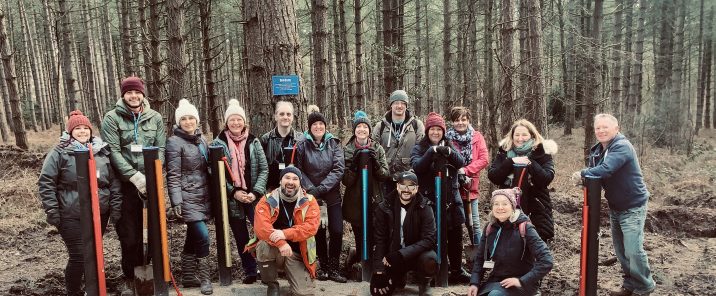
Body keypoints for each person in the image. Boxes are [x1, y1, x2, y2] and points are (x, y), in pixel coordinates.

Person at [38, 110, 122, 296]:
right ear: (70, 131)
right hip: (70, 214)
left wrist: (115, 207)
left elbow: (113, 182)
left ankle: (92, 290)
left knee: (93, 254)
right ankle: (73, 292)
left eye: (86, 128)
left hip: (99, 214)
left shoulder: (101, 151)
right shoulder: (59, 152)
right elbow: (46, 181)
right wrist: (52, 210)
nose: (82, 131)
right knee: (79, 256)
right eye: (78, 128)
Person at [573, 114, 656, 296]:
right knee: (621, 250)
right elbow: (596, 177)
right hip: (615, 206)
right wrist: (585, 177)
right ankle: (629, 285)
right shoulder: (597, 151)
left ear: (616, 129)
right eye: (598, 128)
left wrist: (582, 174)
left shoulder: (622, 146)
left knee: (633, 250)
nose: (601, 131)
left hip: (633, 205)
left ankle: (644, 287)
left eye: (605, 127)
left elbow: (606, 169)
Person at [101, 76, 166, 295]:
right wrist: (134, 177)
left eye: (137, 92)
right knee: (129, 235)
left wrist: (151, 175)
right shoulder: (112, 118)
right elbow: (113, 151)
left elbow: (161, 148)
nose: (134, 96)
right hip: (126, 186)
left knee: (154, 232)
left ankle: (154, 274)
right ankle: (130, 276)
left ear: (143, 94)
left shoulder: (155, 117)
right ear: (123, 95)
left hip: (151, 183)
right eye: (129, 93)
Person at [210, 99, 268, 284]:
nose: (236, 123)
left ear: (244, 121)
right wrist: (233, 192)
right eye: (232, 120)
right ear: (226, 122)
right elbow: (215, 173)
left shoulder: (254, 141)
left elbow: (263, 169)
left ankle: (266, 266)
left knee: (262, 230)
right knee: (241, 234)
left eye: (239, 119)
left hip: (253, 196)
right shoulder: (218, 143)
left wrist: (256, 193)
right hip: (233, 198)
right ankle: (250, 270)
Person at [410, 112, 470, 283]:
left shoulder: (449, 144)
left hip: (451, 200)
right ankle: (430, 270)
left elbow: (460, 162)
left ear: (443, 131)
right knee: (430, 238)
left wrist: (448, 151)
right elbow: (417, 166)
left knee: (455, 239)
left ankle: (456, 270)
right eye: (432, 129)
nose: (435, 132)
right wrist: (432, 151)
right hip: (429, 202)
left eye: (439, 129)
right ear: (427, 130)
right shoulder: (420, 148)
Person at [294, 105, 346, 282]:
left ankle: (334, 267)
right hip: (312, 196)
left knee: (337, 231)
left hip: (331, 195)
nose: (318, 127)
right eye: (314, 124)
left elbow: (339, 169)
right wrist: (311, 189)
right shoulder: (302, 144)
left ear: (325, 126)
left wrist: (322, 188)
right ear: (310, 127)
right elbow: (298, 169)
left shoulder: (334, 143)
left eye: (321, 124)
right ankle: (323, 266)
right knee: (318, 231)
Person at [165, 99, 213, 294]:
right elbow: (173, 174)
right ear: (178, 122)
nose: (187, 122)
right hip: (187, 197)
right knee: (202, 236)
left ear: (197, 120)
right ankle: (205, 279)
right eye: (183, 119)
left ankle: (187, 276)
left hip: (204, 195)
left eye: (191, 118)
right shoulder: (174, 142)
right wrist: (176, 200)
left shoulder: (202, 140)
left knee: (193, 236)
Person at [467, 188, 553, 296]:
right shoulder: (489, 228)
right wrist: (474, 283)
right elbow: (480, 259)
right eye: (496, 204)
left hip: (523, 284)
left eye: (505, 204)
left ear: (512, 206)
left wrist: (521, 281)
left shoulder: (526, 228)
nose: (500, 208)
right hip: (496, 281)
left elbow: (547, 260)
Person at [249, 166, 320, 296]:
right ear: (280, 181)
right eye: (287, 178)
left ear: (300, 183)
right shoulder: (267, 200)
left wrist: (285, 233)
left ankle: (297, 278)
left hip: (298, 254)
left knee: (303, 293)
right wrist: (281, 242)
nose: (291, 182)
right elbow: (261, 228)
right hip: (275, 249)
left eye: (295, 179)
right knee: (263, 246)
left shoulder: (310, 201)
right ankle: (272, 284)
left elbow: (311, 227)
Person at [487, 119, 556, 242]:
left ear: (532, 135)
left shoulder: (542, 151)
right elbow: (493, 176)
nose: (520, 138)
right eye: (517, 135)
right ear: (512, 136)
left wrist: (530, 163)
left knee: (535, 244)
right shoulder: (504, 151)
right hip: (507, 205)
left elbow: (546, 179)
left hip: (536, 206)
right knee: (508, 243)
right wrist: (510, 162)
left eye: (524, 134)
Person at [370, 171, 438, 296]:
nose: (406, 190)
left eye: (411, 186)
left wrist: (401, 254)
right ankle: (398, 277)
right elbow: (379, 240)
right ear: (397, 186)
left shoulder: (425, 207)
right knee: (377, 292)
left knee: (430, 259)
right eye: (403, 185)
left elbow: (429, 239)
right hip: (392, 257)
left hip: (415, 255)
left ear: (417, 189)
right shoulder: (384, 207)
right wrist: (379, 271)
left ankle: (424, 283)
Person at [341, 111, 390, 271]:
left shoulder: (378, 148)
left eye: (365, 127)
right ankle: (360, 259)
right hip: (355, 200)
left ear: (369, 130)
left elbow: (385, 175)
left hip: (374, 198)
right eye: (359, 127)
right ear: (354, 130)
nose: (361, 129)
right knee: (359, 232)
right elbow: (346, 180)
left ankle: (370, 260)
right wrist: (354, 165)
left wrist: (375, 165)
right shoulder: (346, 150)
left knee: (375, 232)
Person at [445, 106, 489, 244]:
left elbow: (484, 159)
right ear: (452, 122)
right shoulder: (447, 138)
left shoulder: (477, 137)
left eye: (463, 119)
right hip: (452, 187)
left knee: (474, 222)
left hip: (470, 186)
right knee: (453, 223)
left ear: (468, 120)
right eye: (457, 120)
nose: (460, 123)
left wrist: (466, 170)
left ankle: (479, 251)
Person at [372, 90, 425, 195]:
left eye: (403, 103)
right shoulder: (380, 126)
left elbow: (421, 150)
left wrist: (413, 171)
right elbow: (374, 151)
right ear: (391, 105)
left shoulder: (417, 125)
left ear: (406, 105)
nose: (399, 106)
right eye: (396, 103)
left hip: (408, 178)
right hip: (385, 179)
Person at [260, 101, 304, 191]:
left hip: (294, 189)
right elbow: (261, 168)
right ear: (276, 117)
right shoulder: (265, 139)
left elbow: (305, 168)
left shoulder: (301, 139)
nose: (285, 117)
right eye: (282, 114)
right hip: (272, 189)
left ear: (292, 117)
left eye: (288, 114)